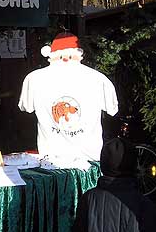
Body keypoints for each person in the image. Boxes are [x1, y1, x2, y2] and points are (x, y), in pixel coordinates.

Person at [18, 32, 118, 161]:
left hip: (53, 161)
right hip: (88, 159)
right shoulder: (99, 79)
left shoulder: (33, 79)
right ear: (78, 53)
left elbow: (26, 107)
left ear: (52, 54)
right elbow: (112, 109)